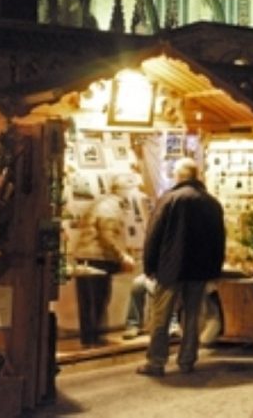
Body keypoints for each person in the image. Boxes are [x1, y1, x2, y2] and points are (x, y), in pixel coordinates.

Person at [137, 159, 225, 377]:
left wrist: (149, 265)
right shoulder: (212, 203)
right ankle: (187, 360)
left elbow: (154, 235)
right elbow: (219, 240)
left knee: (162, 315)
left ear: (179, 176)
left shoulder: (170, 199)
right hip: (199, 269)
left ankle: (156, 361)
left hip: (170, 267)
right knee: (193, 314)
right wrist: (214, 269)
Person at [71, 183, 137, 346]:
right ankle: (95, 339)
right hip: (99, 258)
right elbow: (108, 236)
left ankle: (88, 339)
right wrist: (122, 255)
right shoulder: (112, 207)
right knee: (99, 299)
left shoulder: (100, 203)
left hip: (83, 255)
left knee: (86, 301)